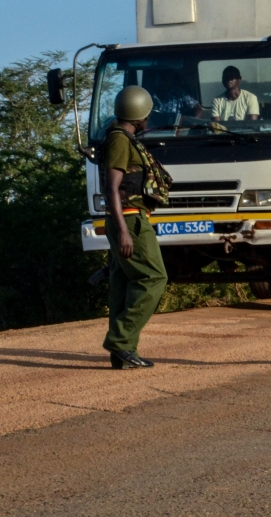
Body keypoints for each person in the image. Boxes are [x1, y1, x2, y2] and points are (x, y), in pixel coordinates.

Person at [101, 86, 171, 369]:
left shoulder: (121, 137)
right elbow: (112, 188)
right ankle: (120, 340)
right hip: (129, 219)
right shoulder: (120, 140)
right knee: (153, 278)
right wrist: (124, 230)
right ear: (140, 114)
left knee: (123, 280)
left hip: (126, 219)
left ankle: (123, 351)